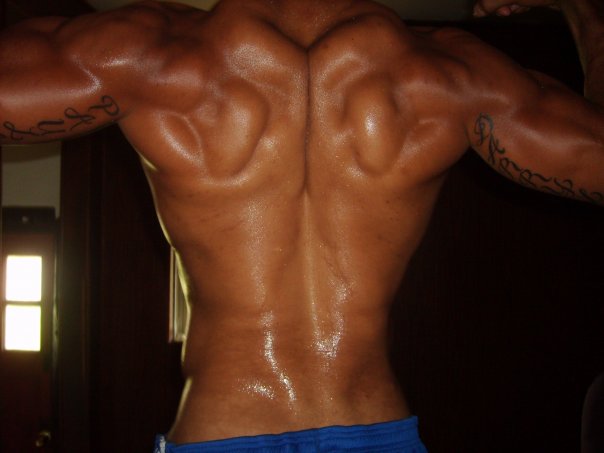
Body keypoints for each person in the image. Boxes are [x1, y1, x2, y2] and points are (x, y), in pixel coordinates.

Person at [1, 0, 603, 451]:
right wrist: (584, 14)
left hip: (222, 428)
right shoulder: (450, 73)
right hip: (371, 425)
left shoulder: (148, 52)